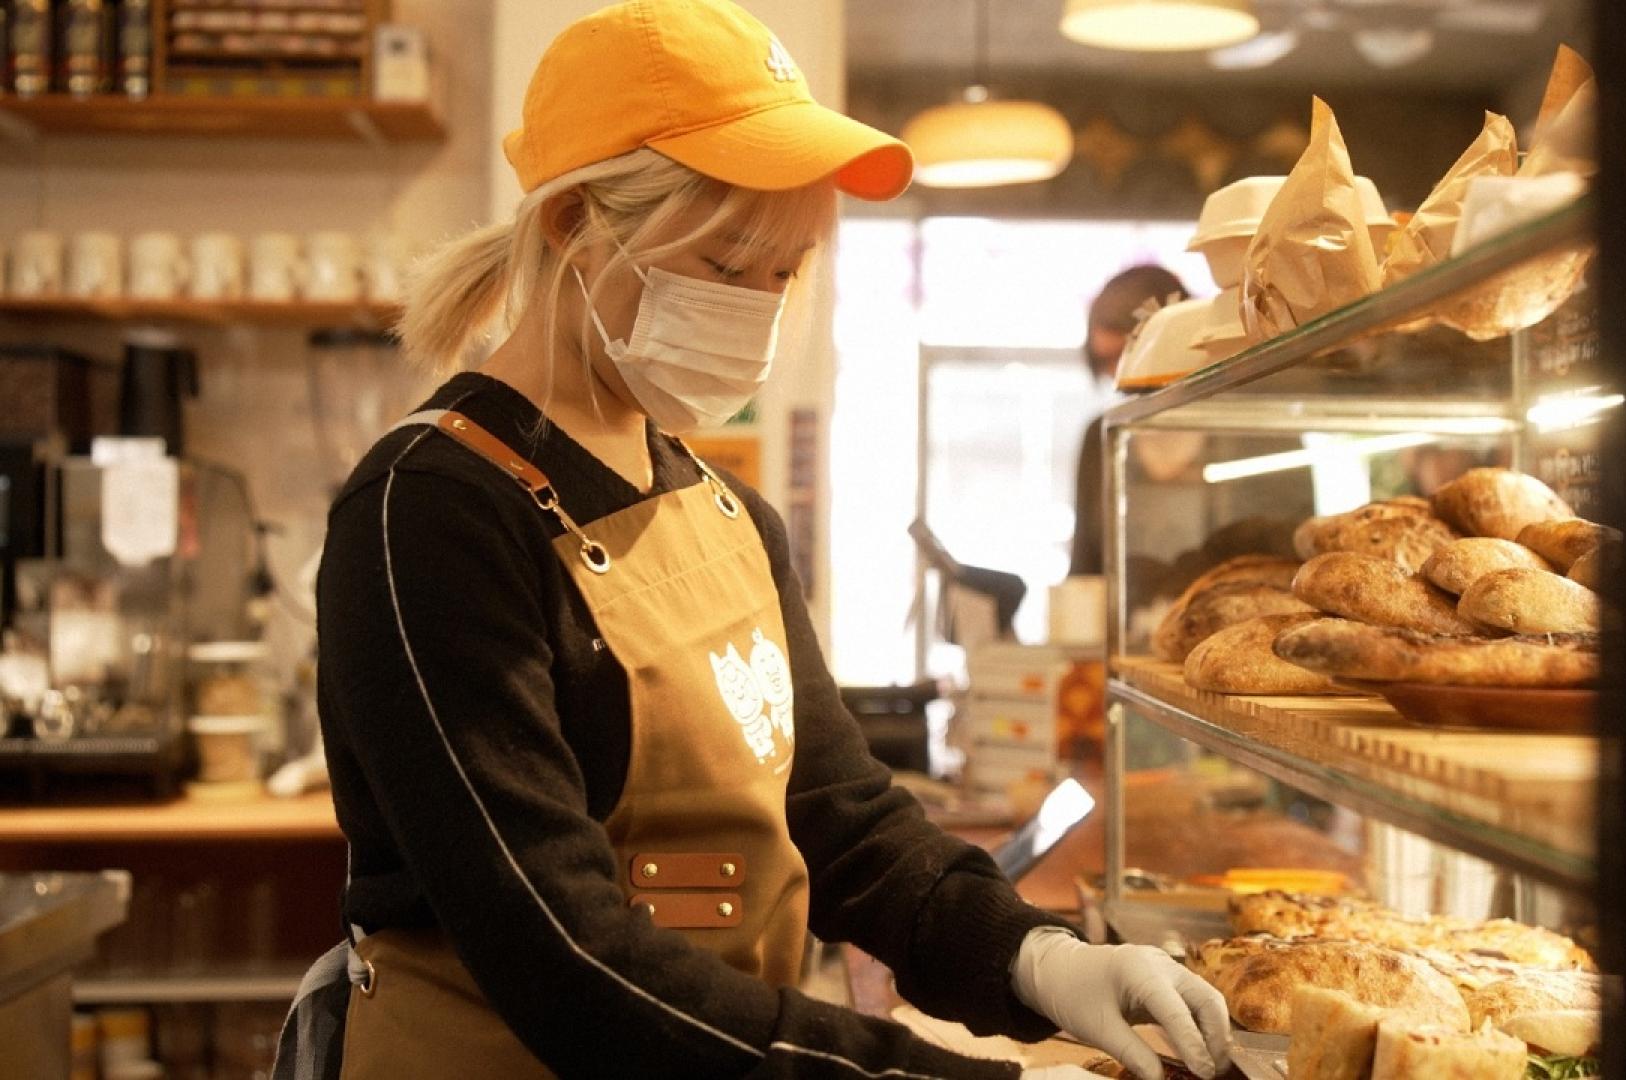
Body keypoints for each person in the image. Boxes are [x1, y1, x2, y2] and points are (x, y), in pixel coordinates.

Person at [281, 4, 1230, 1079]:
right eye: (731, 266)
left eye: (787, 273)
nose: (761, 309)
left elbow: (847, 820)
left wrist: (1034, 957)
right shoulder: (430, 510)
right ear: (572, 228)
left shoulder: (727, 514)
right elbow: (560, 955)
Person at [1067, 266, 1189, 577]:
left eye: (1122, 356)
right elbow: (1084, 565)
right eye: (1105, 362)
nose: (1118, 377)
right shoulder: (1101, 435)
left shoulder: (1243, 424)